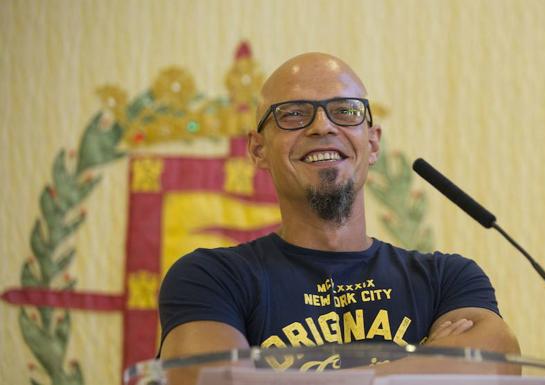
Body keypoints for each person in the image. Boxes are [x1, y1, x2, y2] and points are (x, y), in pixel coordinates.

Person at [158, 53, 520, 368]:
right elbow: (210, 379)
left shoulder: (448, 280)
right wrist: (420, 366)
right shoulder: (210, 279)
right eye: (294, 114)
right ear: (257, 150)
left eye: (345, 111)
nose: (322, 126)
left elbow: (497, 367)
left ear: (373, 142)